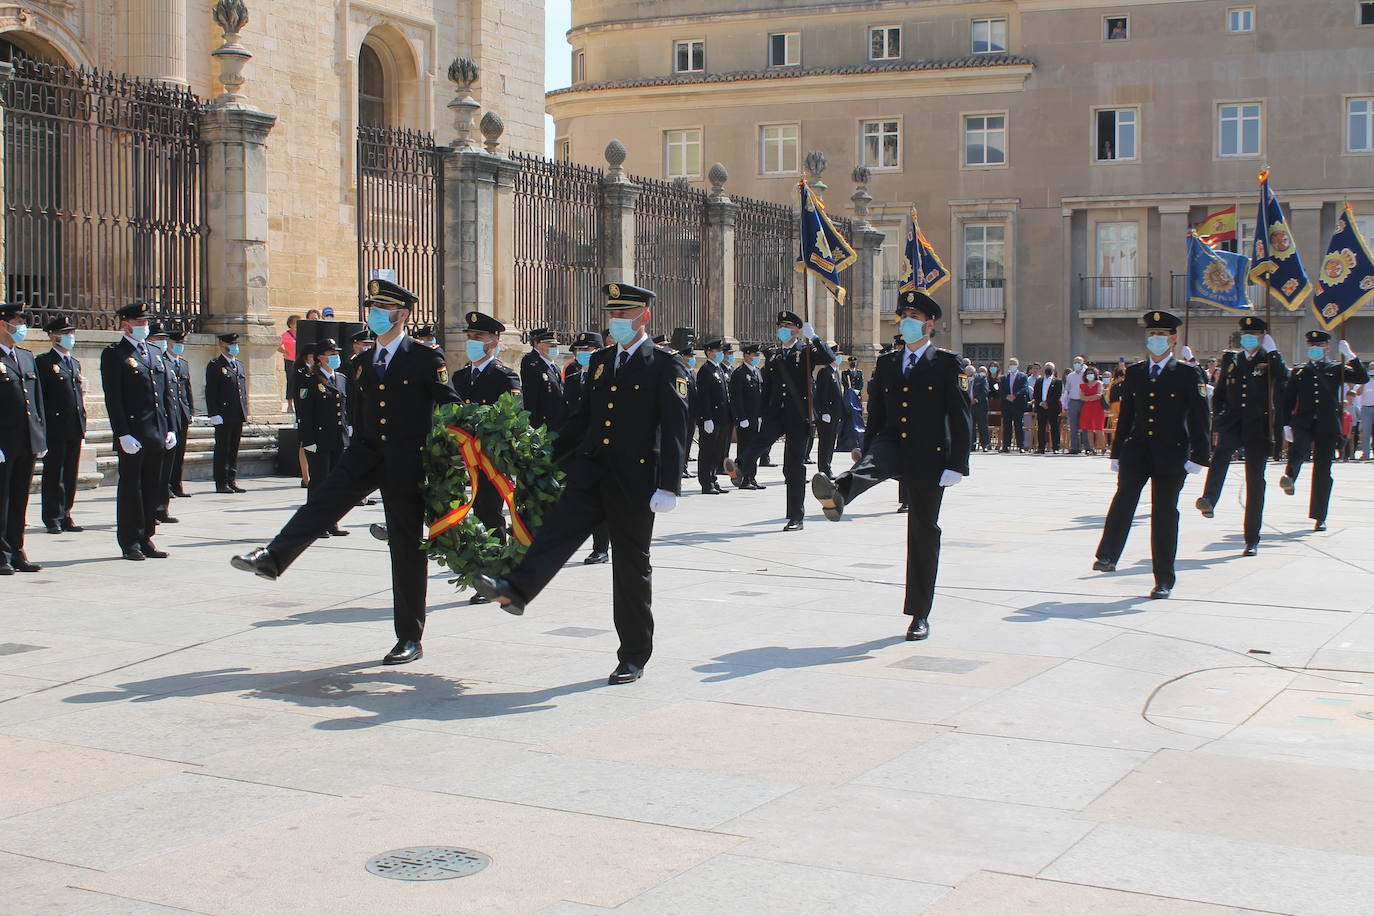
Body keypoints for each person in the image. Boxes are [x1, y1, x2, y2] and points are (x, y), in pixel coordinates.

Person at [232, 278, 461, 665]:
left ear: (402, 314)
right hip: (364, 454)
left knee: (405, 548)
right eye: (371, 308)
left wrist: (455, 452)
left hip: (406, 462)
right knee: (321, 502)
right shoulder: (362, 362)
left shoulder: (426, 359)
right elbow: (356, 413)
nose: (373, 315)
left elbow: (450, 406)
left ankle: (409, 637)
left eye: (382, 309)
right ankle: (274, 558)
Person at [473, 282, 691, 685]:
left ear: (644, 317)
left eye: (624, 315)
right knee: (558, 529)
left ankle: (633, 655)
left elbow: (677, 426)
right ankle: (516, 590)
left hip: (635, 479)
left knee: (630, 567)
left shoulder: (665, 364)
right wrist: (544, 452)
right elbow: (584, 419)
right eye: (613, 315)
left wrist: (669, 485)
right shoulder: (604, 360)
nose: (617, 322)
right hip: (592, 469)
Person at [809, 289, 970, 640]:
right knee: (870, 466)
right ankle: (839, 493)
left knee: (923, 532)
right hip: (892, 442)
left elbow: (961, 416)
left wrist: (958, 464)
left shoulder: (947, 364)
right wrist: (866, 453)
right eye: (904, 317)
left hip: (931, 455)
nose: (908, 323)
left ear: (930, 324)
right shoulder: (887, 363)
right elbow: (878, 414)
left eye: (914, 318)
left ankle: (919, 614)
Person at [1092, 311, 1210, 599]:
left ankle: (1163, 579)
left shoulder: (1187, 373)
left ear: (1173, 339)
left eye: (1161, 335)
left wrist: (1199, 456)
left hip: (1172, 454)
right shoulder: (1135, 372)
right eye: (1151, 334)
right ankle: (1108, 555)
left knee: (1164, 513)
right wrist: (1117, 452)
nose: (1155, 339)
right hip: (1138, 449)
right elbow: (1128, 416)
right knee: (1124, 499)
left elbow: (1199, 417)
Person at [725, 311, 835, 530]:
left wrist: (813, 337)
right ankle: (740, 468)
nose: (782, 328)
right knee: (759, 441)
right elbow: (768, 388)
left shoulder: (805, 352)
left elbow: (828, 358)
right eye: (780, 325)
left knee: (794, 467)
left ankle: (796, 517)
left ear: (797, 329)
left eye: (787, 325)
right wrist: (762, 412)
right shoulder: (773, 355)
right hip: (775, 413)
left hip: (798, 416)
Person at [1196, 316, 1287, 555]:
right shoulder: (1232, 359)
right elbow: (1222, 391)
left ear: (1263, 337)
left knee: (1255, 482)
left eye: (1254, 334)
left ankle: (1252, 538)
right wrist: (1218, 419)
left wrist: (1274, 351)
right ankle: (1209, 498)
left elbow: (1284, 378)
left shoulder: (1269, 359)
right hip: (1233, 422)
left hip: (1258, 426)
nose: (1248, 338)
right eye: (1245, 334)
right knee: (1221, 454)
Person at [450, 310, 522, 587]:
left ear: (493, 342)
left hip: (492, 458)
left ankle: (494, 571)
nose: (472, 341)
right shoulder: (459, 377)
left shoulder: (505, 376)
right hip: (464, 458)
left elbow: (511, 416)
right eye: (469, 336)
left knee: (490, 513)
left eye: (477, 337)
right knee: (474, 514)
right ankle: (479, 564)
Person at [101, 301, 174, 561]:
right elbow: (114, 398)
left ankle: (146, 537)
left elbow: (164, 395)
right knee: (132, 489)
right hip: (133, 434)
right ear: (125, 324)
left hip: (156, 432)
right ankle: (130, 541)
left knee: (152, 487)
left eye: (145, 322)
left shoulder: (154, 352)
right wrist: (122, 433)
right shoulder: (115, 354)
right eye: (139, 322)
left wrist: (170, 428)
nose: (144, 326)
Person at [1280, 331, 1368, 531]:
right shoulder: (1300, 372)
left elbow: (1362, 378)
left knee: (1323, 470)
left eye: (1319, 345)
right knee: (1299, 449)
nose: (1315, 348)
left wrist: (1352, 356)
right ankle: (1290, 477)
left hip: (1327, 424)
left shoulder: (1336, 368)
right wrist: (1285, 424)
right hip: (1303, 421)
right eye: (1312, 345)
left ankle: (1320, 516)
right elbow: (1287, 400)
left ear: (1327, 348)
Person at [0, 302, 47, 573]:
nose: (20, 327)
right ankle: (1, 554)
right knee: (2, 499)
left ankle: (16, 549)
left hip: (27, 440)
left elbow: (36, 401)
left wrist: (41, 437)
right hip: (4, 443)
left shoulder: (26, 357)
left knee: (19, 498)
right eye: (15, 322)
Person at [36, 315, 86, 534]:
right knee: (54, 473)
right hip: (55, 427)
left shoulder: (73, 363)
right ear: (53, 337)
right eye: (65, 334)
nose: (69, 338)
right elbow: (41, 397)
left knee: (70, 473)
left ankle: (66, 512)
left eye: (71, 333)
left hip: (74, 425)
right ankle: (52, 516)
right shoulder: (44, 362)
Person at [564, 331, 611, 563]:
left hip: (598, 447)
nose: (583, 355)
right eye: (580, 351)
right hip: (575, 447)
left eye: (588, 350)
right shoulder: (572, 378)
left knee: (599, 499)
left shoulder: (609, 378)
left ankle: (601, 548)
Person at [297, 337, 351, 539]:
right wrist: (307, 440)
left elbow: (345, 409)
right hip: (319, 440)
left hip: (338, 437)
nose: (336, 357)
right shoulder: (310, 379)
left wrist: (349, 429)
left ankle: (332, 521)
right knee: (319, 482)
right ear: (320, 357)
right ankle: (315, 523)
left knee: (336, 483)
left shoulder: (341, 378)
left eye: (337, 353)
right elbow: (305, 413)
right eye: (331, 354)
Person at [146, 324, 184, 525]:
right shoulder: (148, 361)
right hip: (152, 425)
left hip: (169, 424)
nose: (161, 342)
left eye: (163, 338)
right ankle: (149, 510)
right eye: (157, 338)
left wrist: (172, 426)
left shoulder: (166, 362)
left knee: (165, 471)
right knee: (153, 473)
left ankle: (161, 508)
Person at [205, 333, 248, 494]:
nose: (234, 346)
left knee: (234, 448)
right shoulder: (215, 365)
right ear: (222, 345)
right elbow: (211, 391)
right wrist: (213, 413)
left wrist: (245, 410)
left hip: (237, 413)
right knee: (223, 449)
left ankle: (232, 479)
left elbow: (241, 391)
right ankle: (221, 482)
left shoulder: (240, 365)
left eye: (236, 343)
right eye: (231, 343)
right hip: (223, 414)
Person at [695, 338, 733, 495]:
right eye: (717, 351)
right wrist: (706, 418)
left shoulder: (718, 369)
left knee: (718, 451)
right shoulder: (705, 370)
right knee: (707, 451)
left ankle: (713, 478)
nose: (720, 354)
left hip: (722, 418)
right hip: (711, 419)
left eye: (720, 351)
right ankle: (705, 482)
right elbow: (704, 397)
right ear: (709, 352)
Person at [729, 343, 766, 491]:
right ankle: (743, 478)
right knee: (745, 448)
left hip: (756, 417)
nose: (757, 358)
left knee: (755, 448)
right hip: (745, 419)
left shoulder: (757, 372)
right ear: (746, 355)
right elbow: (736, 398)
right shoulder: (739, 373)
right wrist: (740, 417)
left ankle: (752, 477)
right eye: (754, 355)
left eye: (758, 355)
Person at [164, 330, 194, 499]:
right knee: (169, 453)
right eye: (176, 343)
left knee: (180, 451)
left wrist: (190, 410)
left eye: (182, 343)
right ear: (169, 343)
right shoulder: (162, 361)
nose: (179, 346)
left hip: (182, 412)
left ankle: (177, 484)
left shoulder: (183, 363)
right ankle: (166, 485)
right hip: (170, 413)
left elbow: (187, 389)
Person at [520, 328, 565, 430]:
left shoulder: (554, 366)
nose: (555, 348)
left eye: (556, 345)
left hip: (557, 420)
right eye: (551, 345)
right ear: (539, 346)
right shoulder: (532, 362)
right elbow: (531, 396)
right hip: (543, 422)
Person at [813, 350, 845, 478]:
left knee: (831, 441)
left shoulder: (836, 372)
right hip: (827, 414)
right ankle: (824, 468)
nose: (839, 358)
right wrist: (824, 411)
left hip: (835, 413)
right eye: (837, 356)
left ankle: (828, 466)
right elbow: (822, 393)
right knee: (825, 442)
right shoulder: (824, 372)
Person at [997, 357, 1029, 452]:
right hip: (1007, 404)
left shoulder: (1022, 376)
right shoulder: (1004, 377)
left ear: (1017, 365)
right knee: (1007, 426)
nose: (1012, 366)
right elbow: (1001, 390)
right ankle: (1006, 446)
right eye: (1010, 364)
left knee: (1018, 425)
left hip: (1018, 404)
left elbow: (1025, 388)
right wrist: (1007, 396)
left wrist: (1015, 396)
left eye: (1014, 364)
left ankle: (1021, 446)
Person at [1032, 361, 1063, 454]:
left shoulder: (1058, 381)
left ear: (1054, 370)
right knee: (1041, 427)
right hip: (1041, 407)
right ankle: (1041, 447)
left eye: (1050, 368)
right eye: (1046, 368)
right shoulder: (1039, 381)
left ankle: (1055, 447)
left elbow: (1057, 395)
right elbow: (1036, 394)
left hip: (1052, 407)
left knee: (1054, 427)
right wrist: (1041, 402)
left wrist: (1047, 403)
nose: (1048, 370)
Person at [1078, 364, 1107, 454]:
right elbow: (1081, 397)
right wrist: (1091, 398)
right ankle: (1091, 449)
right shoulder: (1083, 385)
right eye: (1088, 373)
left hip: (1098, 408)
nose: (1090, 375)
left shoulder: (1099, 383)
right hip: (1087, 408)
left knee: (1099, 429)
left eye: (1091, 373)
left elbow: (1099, 395)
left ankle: (1102, 447)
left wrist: (1088, 398)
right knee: (1089, 429)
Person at [1062, 355, 1088, 454]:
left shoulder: (1086, 375)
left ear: (1083, 363)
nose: (1077, 364)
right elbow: (1067, 390)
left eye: (1079, 362)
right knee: (1073, 426)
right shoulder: (1070, 376)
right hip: (1073, 401)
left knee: (1085, 426)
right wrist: (1065, 404)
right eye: (1075, 362)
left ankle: (1086, 447)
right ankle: (1074, 447)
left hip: (1084, 401)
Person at [278, 314, 299, 411]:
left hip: (299, 360)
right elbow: (277, 345)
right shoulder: (286, 335)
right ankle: (290, 404)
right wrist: (284, 352)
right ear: (290, 324)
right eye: (295, 323)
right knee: (291, 382)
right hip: (290, 361)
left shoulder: (301, 334)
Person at [969, 365, 991, 451]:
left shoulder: (981, 378)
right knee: (971, 426)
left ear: (974, 373)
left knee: (983, 425)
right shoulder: (964, 379)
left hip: (980, 405)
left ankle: (985, 445)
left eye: (970, 375)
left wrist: (977, 399)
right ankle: (972, 445)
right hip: (969, 406)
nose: (969, 377)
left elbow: (985, 390)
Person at [1356, 363, 1374, 460]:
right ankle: (1366, 454)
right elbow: (1358, 393)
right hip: (1366, 408)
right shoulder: (1364, 380)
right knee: (1366, 432)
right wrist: (1363, 383)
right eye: (1371, 368)